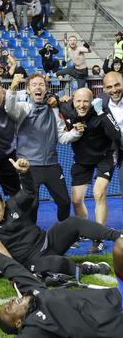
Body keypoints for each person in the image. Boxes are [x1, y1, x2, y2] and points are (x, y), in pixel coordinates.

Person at [0, 159, 119, 278]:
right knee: (55, 263)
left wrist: (25, 174)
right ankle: (86, 269)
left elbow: (29, 192)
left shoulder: (13, 204)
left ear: (3, 203)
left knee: (73, 222)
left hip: (48, 241)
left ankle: (118, 236)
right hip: (32, 261)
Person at [6, 73, 77, 222]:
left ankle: (64, 231)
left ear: (46, 89)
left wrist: (77, 132)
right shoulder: (23, 108)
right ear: (28, 90)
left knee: (64, 202)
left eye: (41, 85)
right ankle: (32, 236)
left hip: (51, 165)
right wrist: (12, 88)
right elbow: (9, 108)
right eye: (34, 85)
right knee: (32, 205)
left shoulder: (54, 110)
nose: (38, 87)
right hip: (29, 167)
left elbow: (63, 138)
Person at [58, 88, 121, 253]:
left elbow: (115, 134)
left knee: (98, 193)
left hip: (105, 156)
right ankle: (85, 230)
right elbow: (54, 101)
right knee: (77, 200)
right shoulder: (67, 109)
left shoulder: (101, 111)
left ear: (91, 102)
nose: (82, 104)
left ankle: (99, 237)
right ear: (73, 100)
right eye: (78, 101)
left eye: (86, 101)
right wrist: (52, 97)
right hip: (82, 159)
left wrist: (101, 112)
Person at [100, 71, 123, 200]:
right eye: (109, 87)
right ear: (104, 89)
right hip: (118, 153)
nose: (114, 90)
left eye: (117, 85)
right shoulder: (101, 103)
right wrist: (57, 100)